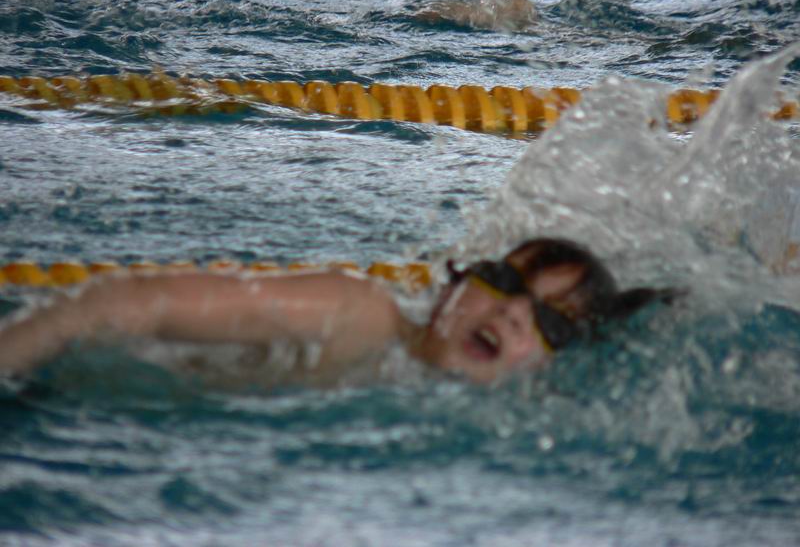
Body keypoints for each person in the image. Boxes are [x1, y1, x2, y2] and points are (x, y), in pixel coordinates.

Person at [0, 238, 665, 388]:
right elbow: (130, 304)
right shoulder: (358, 316)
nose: (515, 313)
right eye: (502, 281)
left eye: (551, 323)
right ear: (452, 287)